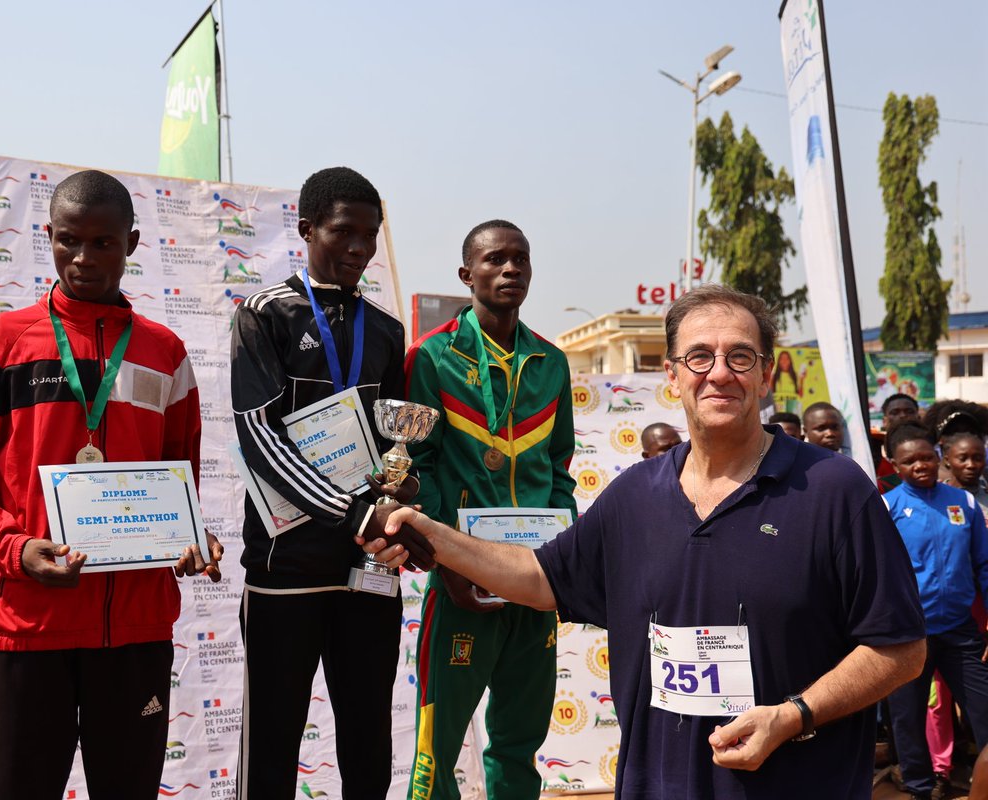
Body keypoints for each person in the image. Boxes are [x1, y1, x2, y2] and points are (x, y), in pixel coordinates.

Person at [362, 284, 926, 798]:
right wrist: (433, 535)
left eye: (740, 357)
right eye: (700, 357)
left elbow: (900, 649)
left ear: (766, 373)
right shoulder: (635, 496)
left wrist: (793, 715)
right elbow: (539, 578)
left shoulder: (834, 489)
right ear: (674, 375)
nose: (720, 373)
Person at [0, 170, 223, 800]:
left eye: (104, 243)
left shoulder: (164, 352)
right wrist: (14, 549)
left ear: (132, 243)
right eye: (69, 241)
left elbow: (179, 479)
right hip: (30, 624)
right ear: (48, 238)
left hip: (136, 629)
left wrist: (192, 538)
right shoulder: (0, 345)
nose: (85, 258)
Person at [229, 166, 432, 800]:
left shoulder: (386, 329)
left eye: (370, 235)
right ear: (307, 229)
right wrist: (355, 514)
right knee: (273, 742)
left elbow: (389, 446)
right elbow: (261, 438)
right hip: (285, 562)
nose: (359, 248)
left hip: (366, 567)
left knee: (369, 741)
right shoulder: (265, 315)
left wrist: (400, 492)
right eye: (344, 232)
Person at [401, 219, 576, 799]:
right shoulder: (432, 357)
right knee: (437, 749)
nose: (510, 269)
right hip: (461, 582)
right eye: (496, 259)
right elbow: (417, 469)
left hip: (532, 582)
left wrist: (562, 562)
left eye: (520, 259)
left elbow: (558, 472)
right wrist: (446, 560)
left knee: (519, 744)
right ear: (465, 273)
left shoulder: (550, 361)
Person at [883, 422, 988, 800]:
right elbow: (875, 574)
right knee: (907, 717)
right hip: (909, 634)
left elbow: (985, 565)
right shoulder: (887, 508)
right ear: (894, 465)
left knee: (983, 709)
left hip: (960, 631)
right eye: (910, 461)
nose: (921, 465)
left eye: (927, 457)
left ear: (939, 456)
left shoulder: (965, 504)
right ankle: (919, 787)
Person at [945, 432, 988, 511]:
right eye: (962, 459)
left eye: (978, 459)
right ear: (947, 460)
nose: (971, 465)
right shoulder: (935, 496)